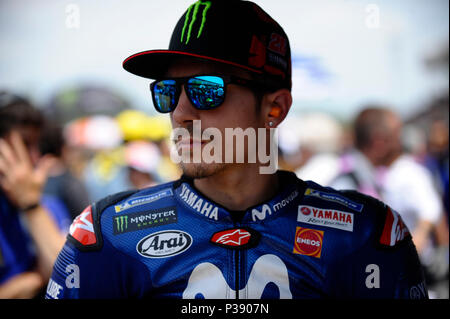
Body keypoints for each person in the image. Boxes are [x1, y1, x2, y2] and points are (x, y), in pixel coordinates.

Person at [46, 0, 427, 299]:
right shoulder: (108, 235)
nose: (180, 113)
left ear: (274, 108)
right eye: (168, 91)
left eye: (206, 90)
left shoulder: (366, 235)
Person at [0, 92, 66, 298]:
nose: (35, 157)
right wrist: (36, 278)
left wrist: (30, 205)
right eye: (25, 144)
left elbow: (70, 273)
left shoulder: (47, 205)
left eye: (37, 145)